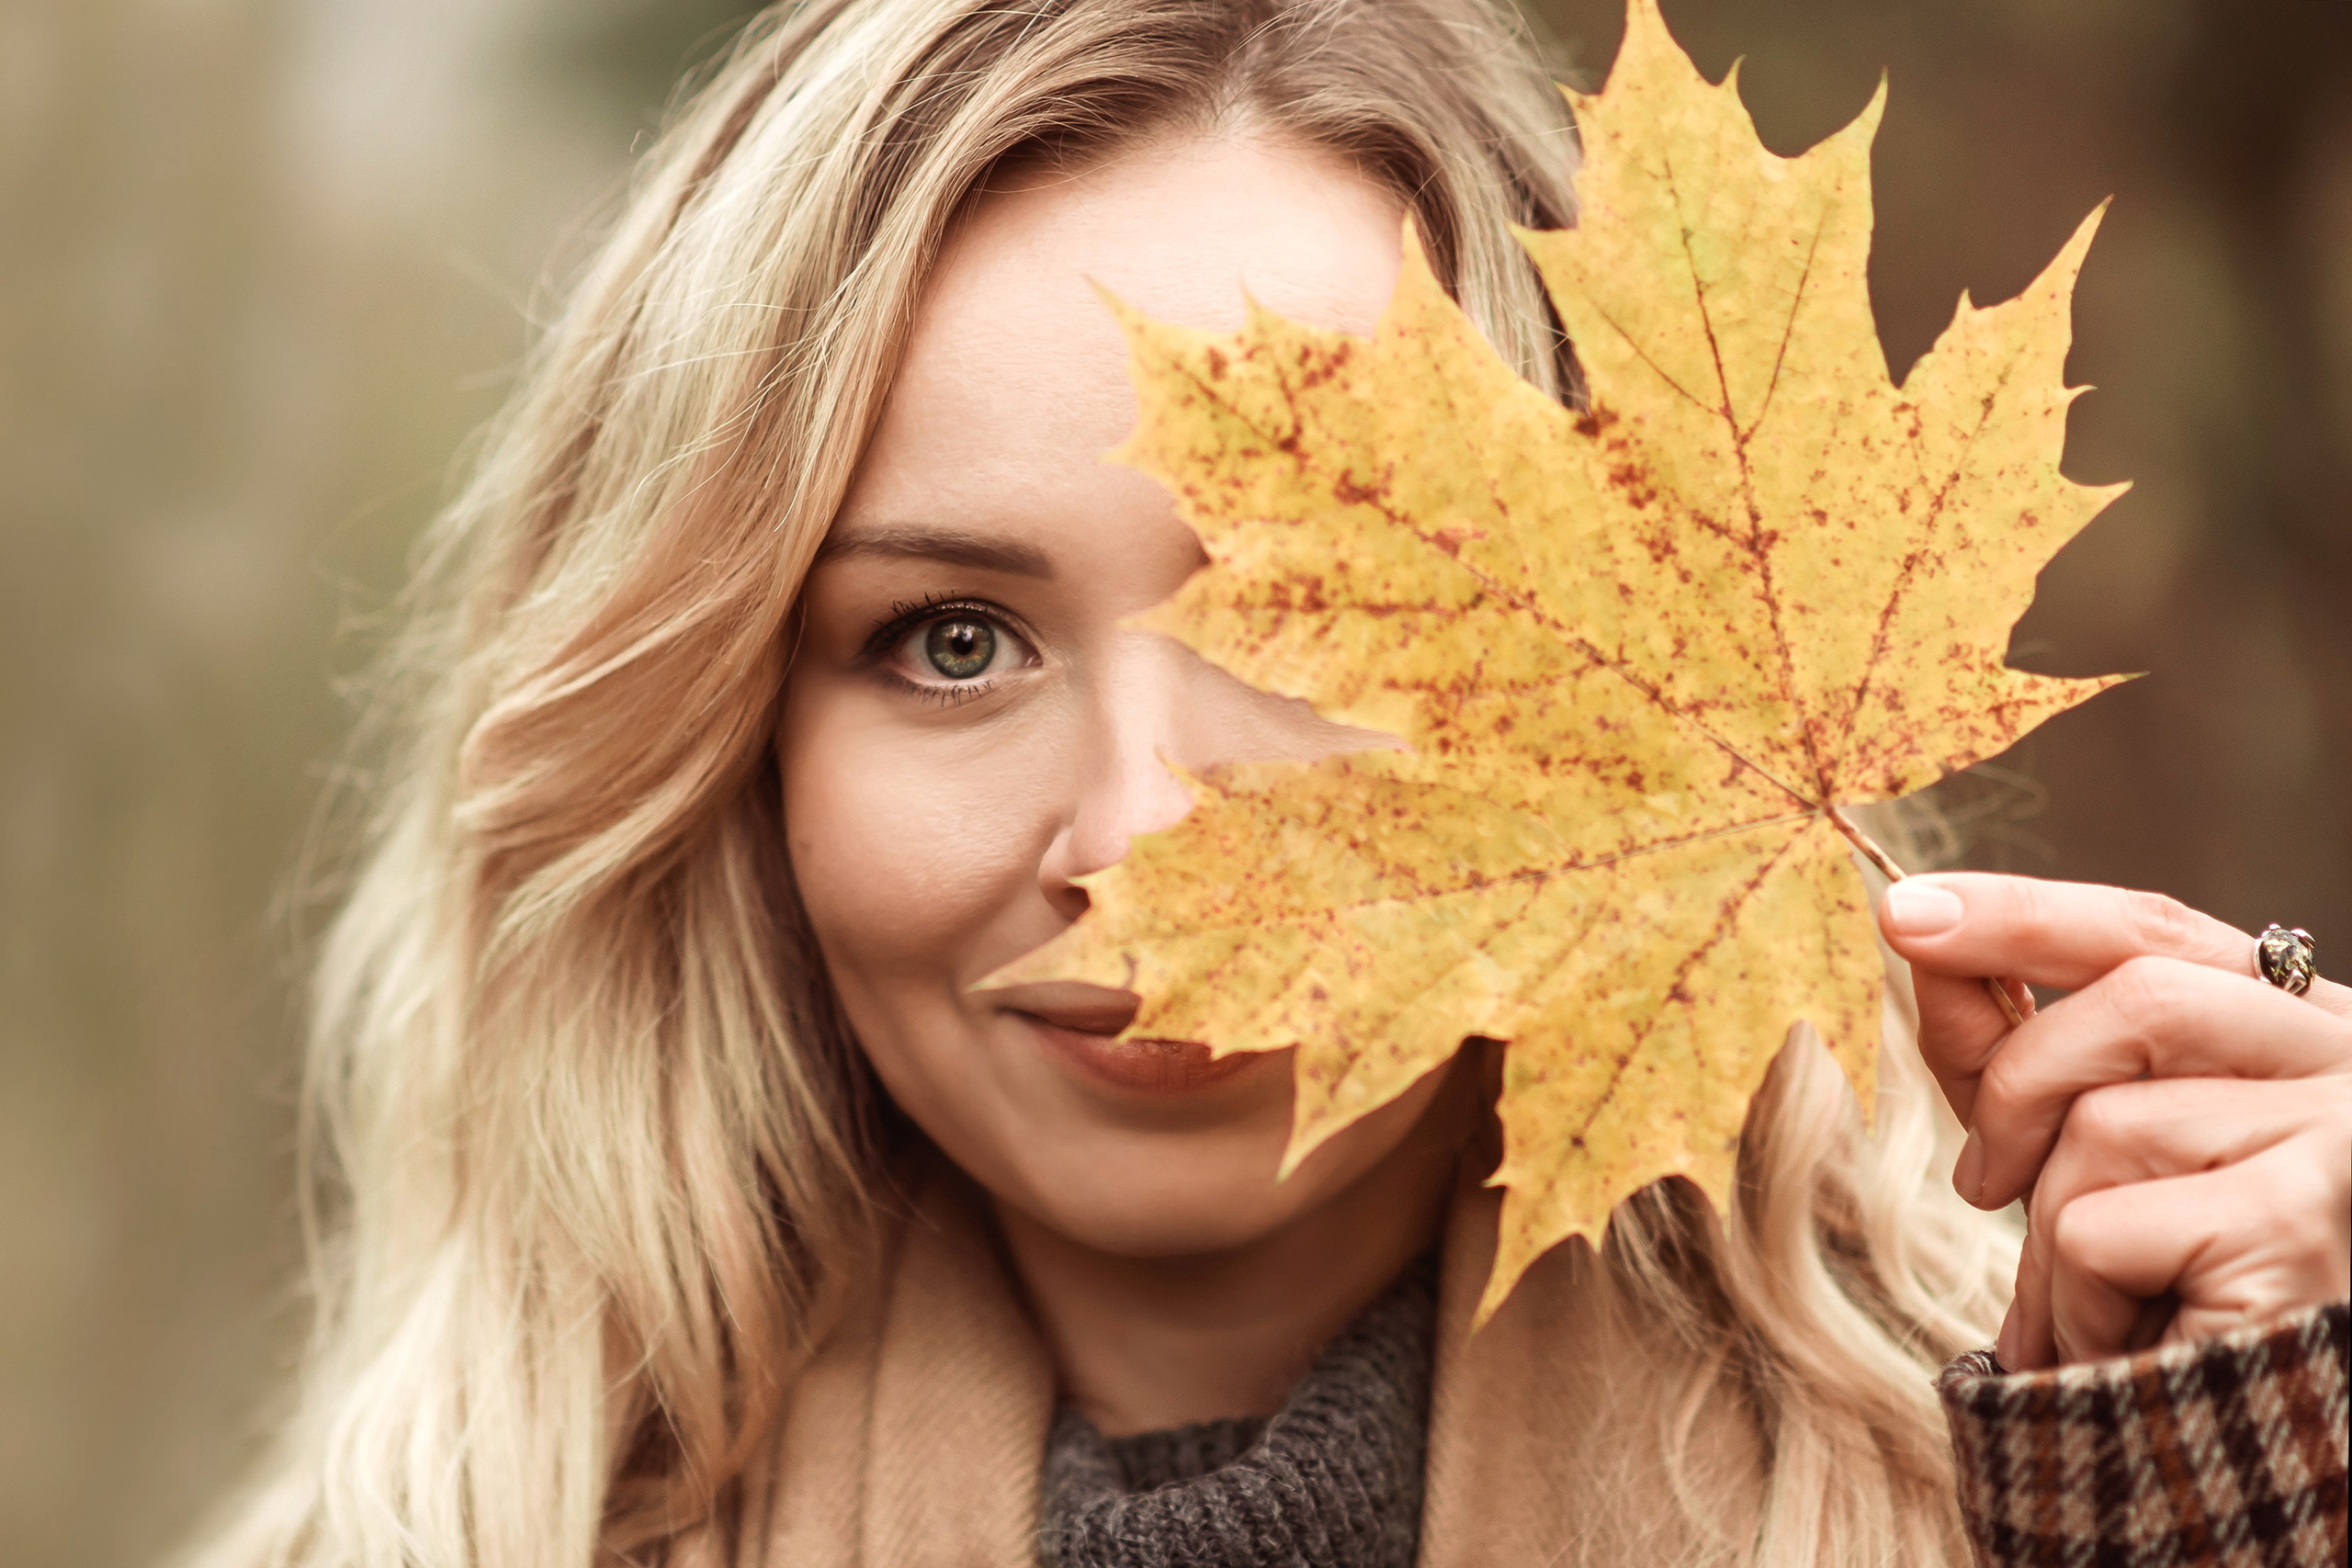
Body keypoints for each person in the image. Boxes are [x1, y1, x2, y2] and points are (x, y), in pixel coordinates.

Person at [191, 2, 2350, 1564]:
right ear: (722, 747)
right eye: (949, 642)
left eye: (1306, 628)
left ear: (1672, 663)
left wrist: (2226, 1490)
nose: (1140, 842)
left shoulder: (2118, 1470)